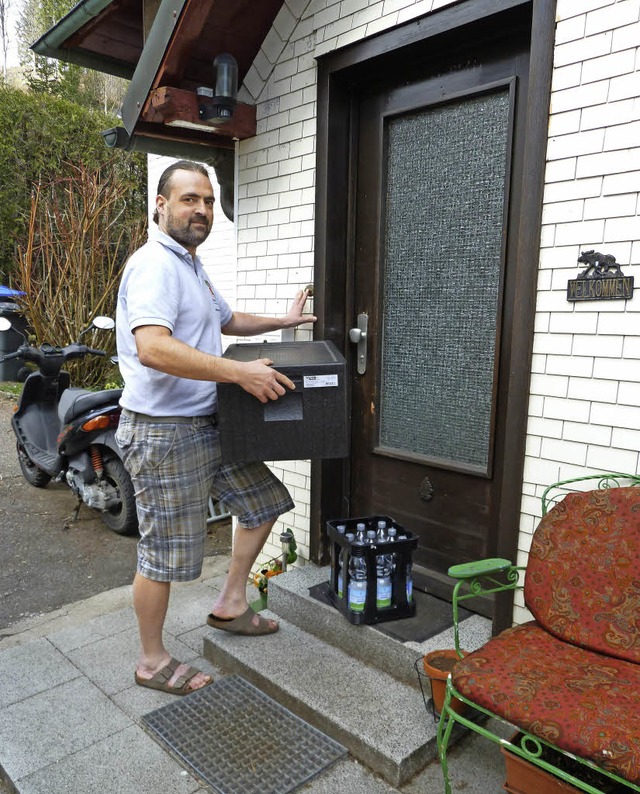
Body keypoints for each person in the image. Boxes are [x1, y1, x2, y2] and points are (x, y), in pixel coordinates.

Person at [115, 159, 316, 696]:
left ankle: (229, 605)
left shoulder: (190, 266)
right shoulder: (155, 264)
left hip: (207, 421)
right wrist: (240, 373)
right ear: (161, 205)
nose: (201, 210)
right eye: (189, 199)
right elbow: (152, 347)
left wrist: (284, 322)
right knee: (164, 554)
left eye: (207, 201)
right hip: (164, 433)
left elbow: (224, 320)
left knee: (262, 502)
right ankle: (152, 661)